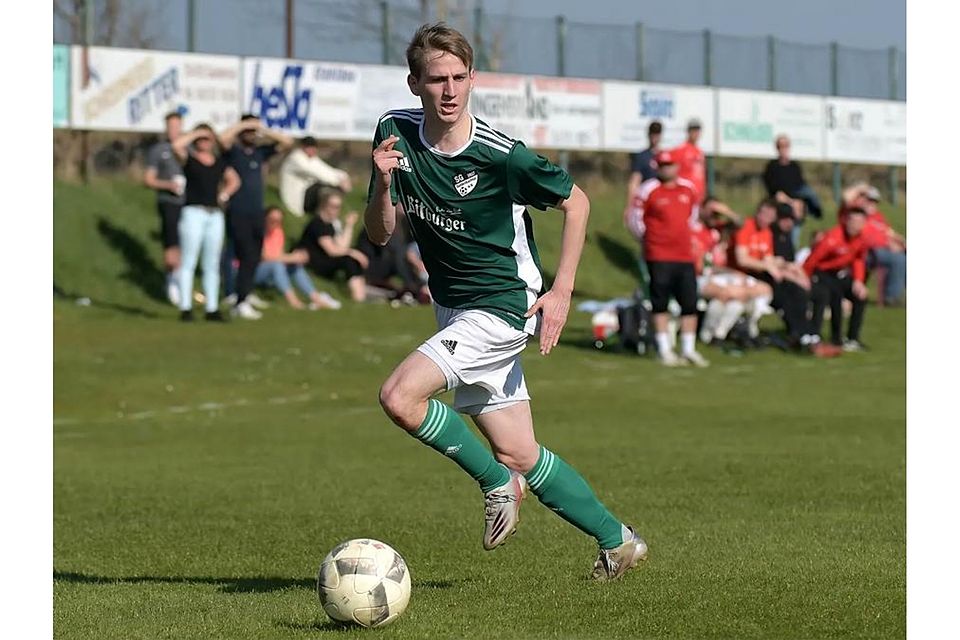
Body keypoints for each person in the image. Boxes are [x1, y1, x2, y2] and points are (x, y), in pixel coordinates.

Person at [366, 22, 647, 582]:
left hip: (501, 306)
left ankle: (496, 484)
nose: (449, 90)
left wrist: (561, 290)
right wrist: (380, 185)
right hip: (453, 308)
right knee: (521, 452)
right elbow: (378, 234)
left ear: (472, 80)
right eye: (437, 79)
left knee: (400, 397)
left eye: (459, 78)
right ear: (414, 83)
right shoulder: (392, 134)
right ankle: (619, 542)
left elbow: (578, 202)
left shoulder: (502, 156)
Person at [627, 150, 709, 367]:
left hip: (684, 255)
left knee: (689, 303)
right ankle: (664, 348)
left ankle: (688, 349)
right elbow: (635, 219)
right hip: (659, 255)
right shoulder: (648, 190)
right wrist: (650, 240)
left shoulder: (688, 189)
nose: (666, 169)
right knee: (660, 301)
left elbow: (692, 217)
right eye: (662, 165)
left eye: (669, 165)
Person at [731, 200, 832, 355]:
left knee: (801, 292)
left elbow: (770, 258)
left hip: (763, 276)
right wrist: (772, 267)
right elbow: (742, 259)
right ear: (758, 212)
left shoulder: (766, 233)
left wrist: (778, 267)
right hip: (743, 276)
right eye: (764, 214)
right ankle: (801, 336)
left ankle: (808, 335)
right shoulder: (747, 227)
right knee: (788, 296)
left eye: (770, 216)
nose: (766, 219)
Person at [220, 114, 295, 320]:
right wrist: (242, 124)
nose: (252, 134)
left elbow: (287, 143)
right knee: (243, 254)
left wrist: (263, 129)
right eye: (248, 130)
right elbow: (223, 140)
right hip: (238, 211)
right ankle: (238, 299)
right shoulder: (233, 152)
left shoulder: (260, 152)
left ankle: (245, 293)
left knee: (253, 255)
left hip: (256, 212)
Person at [171, 124, 241, 322]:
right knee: (189, 261)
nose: (204, 142)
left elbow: (234, 180)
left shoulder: (219, 162)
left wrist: (225, 194)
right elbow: (176, 146)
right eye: (201, 139)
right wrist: (197, 132)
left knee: (211, 263)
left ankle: (212, 307)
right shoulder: (190, 160)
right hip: (193, 212)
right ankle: (186, 307)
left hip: (214, 214)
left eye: (207, 139)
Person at [692, 199, 774, 346]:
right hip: (699, 277)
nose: (714, 216)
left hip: (722, 276)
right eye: (712, 213)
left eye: (717, 214)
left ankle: (717, 335)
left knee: (757, 291)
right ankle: (711, 334)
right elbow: (703, 266)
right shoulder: (694, 230)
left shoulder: (717, 231)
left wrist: (725, 211)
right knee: (734, 293)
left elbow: (739, 222)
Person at [805, 207, 870, 351]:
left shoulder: (861, 238)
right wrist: (805, 279)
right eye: (853, 222)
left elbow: (859, 259)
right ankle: (836, 338)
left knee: (860, 297)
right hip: (823, 273)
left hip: (840, 274)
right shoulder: (833, 238)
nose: (855, 226)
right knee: (835, 295)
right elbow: (812, 260)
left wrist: (859, 281)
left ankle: (853, 338)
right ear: (846, 221)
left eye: (859, 222)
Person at [253, 206, 342, 310]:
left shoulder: (278, 232)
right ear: (265, 219)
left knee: (294, 265)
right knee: (277, 266)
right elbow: (264, 257)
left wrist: (293, 259)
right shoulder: (258, 233)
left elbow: (279, 254)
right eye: (272, 220)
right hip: (255, 270)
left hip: (271, 267)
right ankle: (293, 301)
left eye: (278, 221)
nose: (275, 223)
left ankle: (315, 297)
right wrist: (291, 258)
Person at [143, 111, 185, 306]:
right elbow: (149, 179)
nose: (174, 130)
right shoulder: (158, 150)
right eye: (170, 126)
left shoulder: (188, 148)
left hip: (188, 203)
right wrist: (168, 185)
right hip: (168, 202)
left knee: (185, 244)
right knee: (171, 244)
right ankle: (171, 282)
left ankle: (182, 281)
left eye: (177, 126)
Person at [839, 183, 906, 305]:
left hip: (884, 250)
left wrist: (901, 243)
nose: (871, 204)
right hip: (868, 252)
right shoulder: (854, 213)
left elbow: (889, 233)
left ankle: (899, 293)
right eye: (869, 200)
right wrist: (861, 188)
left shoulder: (878, 217)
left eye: (874, 201)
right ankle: (892, 298)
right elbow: (845, 196)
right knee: (898, 259)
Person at [298, 188, 368, 302]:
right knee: (349, 259)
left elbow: (342, 247)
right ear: (324, 205)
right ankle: (358, 297)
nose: (336, 210)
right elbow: (332, 250)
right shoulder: (317, 224)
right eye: (333, 206)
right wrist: (354, 253)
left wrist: (349, 225)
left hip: (326, 260)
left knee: (352, 258)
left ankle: (361, 295)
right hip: (315, 263)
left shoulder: (330, 225)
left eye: (338, 207)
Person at [762, 134, 823, 240]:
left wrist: (799, 203)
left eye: (786, 145)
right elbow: (776, 193)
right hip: (781, 202)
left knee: (809, 194)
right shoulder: (772, 167)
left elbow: (801, 186)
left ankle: (814, 211)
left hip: (796, 199)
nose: (784, 149)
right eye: (781, 146)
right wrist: (792, 202)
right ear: (777, 148)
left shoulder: (794, 166)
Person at [279, 136, 353, 217]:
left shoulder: (311, 158)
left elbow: (326, 170)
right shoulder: (296, 158)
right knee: (326, 187)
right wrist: (338, 182)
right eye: (310, 147)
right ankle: (324, 214)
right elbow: (316, 173)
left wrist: (344, 177)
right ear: (303, 147)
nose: (313, 150)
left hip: (307, 193)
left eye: (314, 147)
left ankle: (330, 213)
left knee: (330, 187)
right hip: (296, 198)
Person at [626, 121, 662, 203]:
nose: (654, 137)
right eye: (652, 133)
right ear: (649, 134)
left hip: (661, 199)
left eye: (657, 134)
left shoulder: (664, 156)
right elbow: (634, 181)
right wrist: (630, 204)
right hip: (646, 198)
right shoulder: (641, 156)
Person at [672, 118, 706, 203]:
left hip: (699, 194)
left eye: (697, 130)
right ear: (688, 131)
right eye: (693, 130)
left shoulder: (700, 152)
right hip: (685, 193)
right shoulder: (680, 150)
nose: (695, 133)